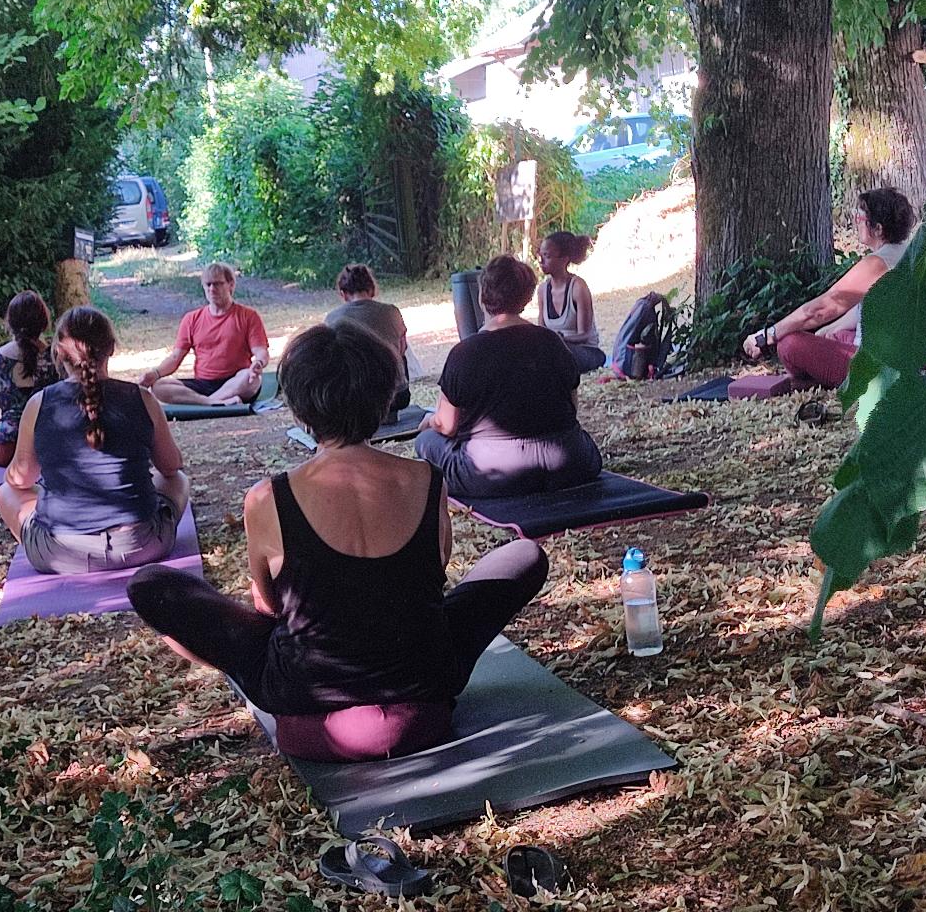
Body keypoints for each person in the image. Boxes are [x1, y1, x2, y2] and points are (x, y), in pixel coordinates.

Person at [126, 322, 549, 763]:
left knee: (152, 587)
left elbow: (268, 607)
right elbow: (433, 580)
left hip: (303, 690)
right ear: (385, 397)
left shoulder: (267, 498)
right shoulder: (426, 479)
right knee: (525, 556)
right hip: (426, 678)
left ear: (298, 407)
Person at [0, 306, 190, 575]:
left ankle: (51, 551)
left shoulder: (38, 405)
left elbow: (21, 479)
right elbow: (171, 467)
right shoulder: (142, 398)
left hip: (60, 553)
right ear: (111, 348)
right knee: (178, 480)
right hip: (141, 545)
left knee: (6, 492)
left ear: (59, 353)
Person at [415, 254, 603, 498]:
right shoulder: (553, 343)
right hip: (571, 463)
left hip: (493, 474)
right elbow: (571, 408)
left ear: (483, 297)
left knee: (426, 441)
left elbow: (447, 426)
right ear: (525, 298)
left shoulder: (464, 353)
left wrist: (429, 422)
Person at [742, 187, 916, 388]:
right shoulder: (907, 253)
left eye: (859, 218)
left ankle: (815, 380)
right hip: (914, 360)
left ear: (877, 229)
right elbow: (862, 308)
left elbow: (820, 309)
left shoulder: (879, 263)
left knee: (790, 344)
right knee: (837, 335)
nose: (855, 223)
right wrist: (828, 330)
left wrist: (768, 335)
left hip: (888, 370)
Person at [139, 262, 270, 406]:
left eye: (218, 284)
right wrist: (155, 374)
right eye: (208, 285)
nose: (212, 289)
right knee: (159, 386)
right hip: (202, 384)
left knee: (251, 379)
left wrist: (258, 363)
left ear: (231, 285)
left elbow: (261, 351)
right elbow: (175, 358)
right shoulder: (191, 319)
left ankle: (210, 401)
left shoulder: (248, 316)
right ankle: (213, 402)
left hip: (236, 381)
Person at [0, 290, 59, 467]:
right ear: (44, 321)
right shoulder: (56, 357)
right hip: (50, 445)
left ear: (10, 322)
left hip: (8, 450)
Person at [324, 262, 411, 421]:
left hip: (352, 398)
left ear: (343, 294)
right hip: (397, 396)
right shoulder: (391, 312)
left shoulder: (332, 319)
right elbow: (402, 348)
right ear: (372, 290)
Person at [537, 231, 606, 372]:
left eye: (547, 256)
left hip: (585, 352)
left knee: (557, 355)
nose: (541, 261)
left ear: (564, 259)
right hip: (556, 349)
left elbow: (584, 335)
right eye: (541, 255)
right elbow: (541, 331)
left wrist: (560, 339)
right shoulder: (542, 290)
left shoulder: (578, 287)